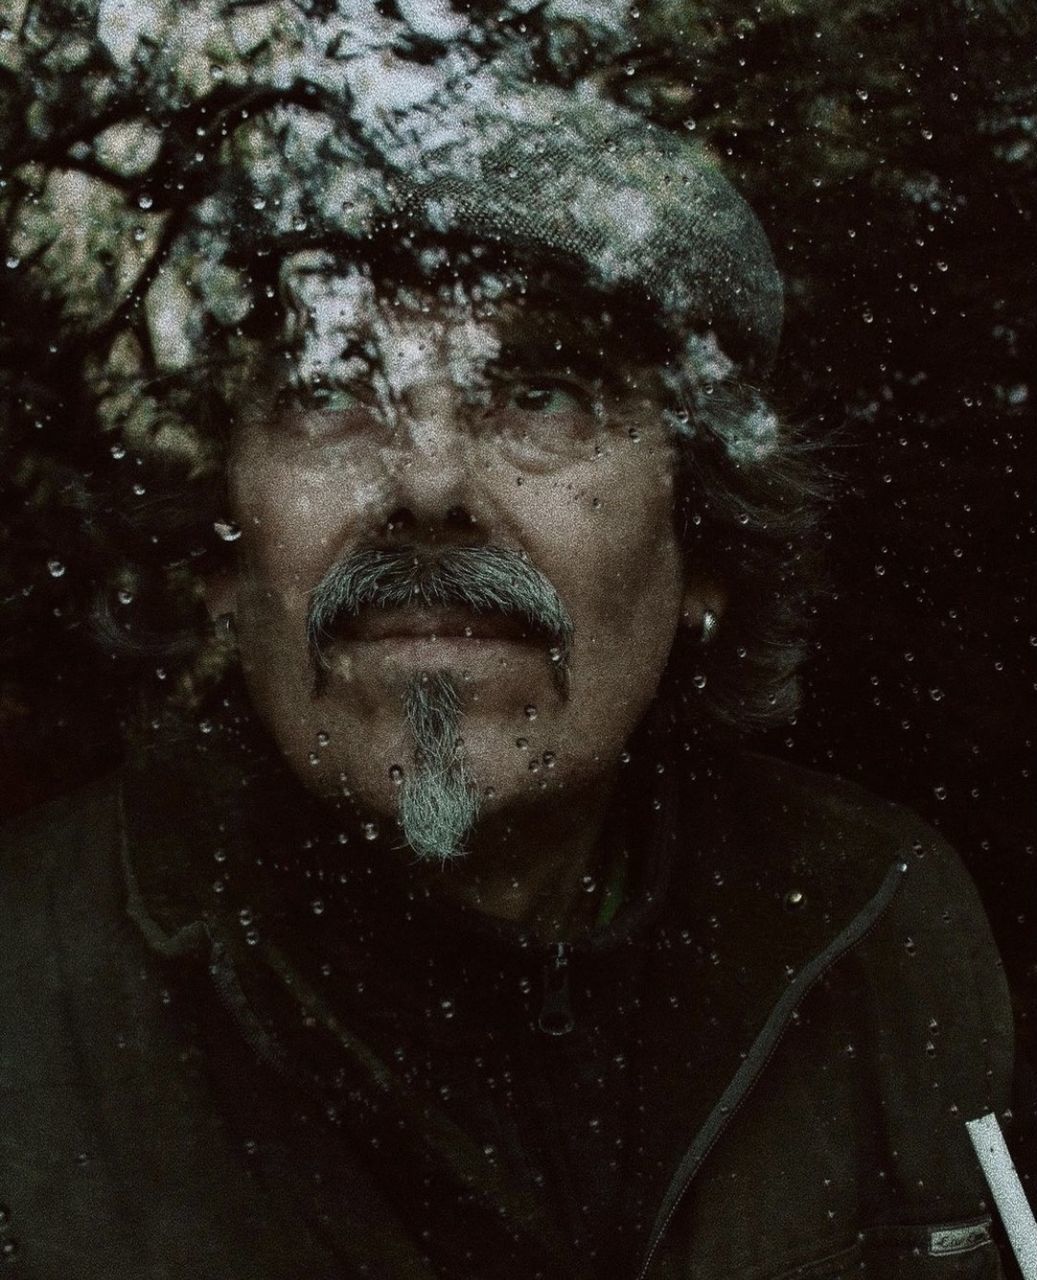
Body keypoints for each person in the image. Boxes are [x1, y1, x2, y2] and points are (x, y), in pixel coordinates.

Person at [0, 22, 1019, 1279]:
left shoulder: (883, 923)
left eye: (541, 393)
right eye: (331, 388)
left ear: (698, 547)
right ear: (221, 559)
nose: (427, 481)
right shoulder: (22, 988)